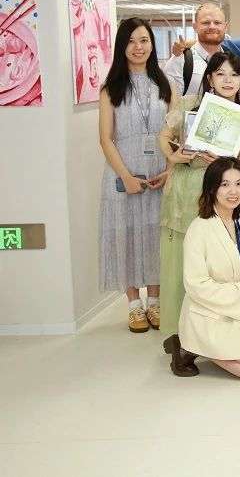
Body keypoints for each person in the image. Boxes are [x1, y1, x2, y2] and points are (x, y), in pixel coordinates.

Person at [157, 51, 240, 337]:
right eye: (220, 74)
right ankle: (181, 336)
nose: (228, 80)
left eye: (234, 74)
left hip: (226, 195)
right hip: (186, 192)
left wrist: (226, 163)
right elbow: (163, 137)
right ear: (210, 79)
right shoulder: (190, 105)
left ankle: (220, 332)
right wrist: (174, 156)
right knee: (184, 265)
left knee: (224, 261)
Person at [165, 158, 240, 379]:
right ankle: (188, 346)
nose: (233, 191)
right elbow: (196, 285)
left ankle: (224, 343)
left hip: (238, 303)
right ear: (212, 188)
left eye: (239, 184)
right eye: (225, 184)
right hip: (210, 308)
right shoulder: (199, 228)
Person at [98, 17, 172, 332]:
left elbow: (176, 133)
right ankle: (133, 304)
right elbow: (105, 139)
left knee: (155, 236)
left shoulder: (165, 84)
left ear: (152, 45)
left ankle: (154, 301)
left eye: (143, 40)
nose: (138, 47)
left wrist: (170, 170)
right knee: (125, 235)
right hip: (123, 174)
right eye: (131, 41)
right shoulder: (110, 88)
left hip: (158, 174)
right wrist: (126, 177)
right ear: (121, 46)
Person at [162, 3, 226, 97]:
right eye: (206, 23)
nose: (212, 27)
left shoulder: (232, 61)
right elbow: (167, 102)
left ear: (225, 27)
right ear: (195, 27)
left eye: (217, 23)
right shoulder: (180, 62)